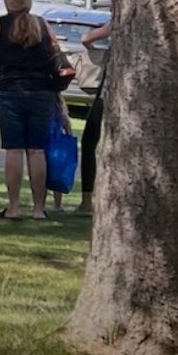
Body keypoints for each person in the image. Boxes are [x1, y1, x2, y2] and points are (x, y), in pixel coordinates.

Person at [0, 0, 69, 221]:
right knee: (36, 150)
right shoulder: (41, 24)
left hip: (8, 91)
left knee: (13, 150)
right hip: (41, 92)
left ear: (8, 3)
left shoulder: (0, 24)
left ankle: (13, 207)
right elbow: (57, 55)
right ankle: (38, 208)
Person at [73, 19, 111, 215]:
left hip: (109, 93)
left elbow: (87, 39)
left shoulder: (119, 20)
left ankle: (87, 200)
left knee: (89, 142)